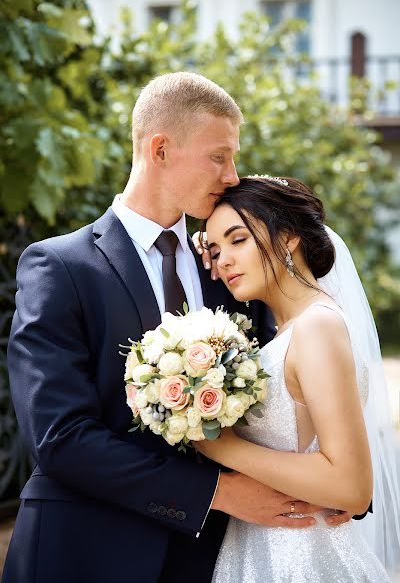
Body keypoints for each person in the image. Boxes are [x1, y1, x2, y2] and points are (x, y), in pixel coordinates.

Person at [3, 73, 351, 583]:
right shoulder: (60, 267)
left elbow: (286, 391)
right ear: (160, 149)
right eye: (219, 156)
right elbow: (59, 438)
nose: (233, 175)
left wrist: (334, 490)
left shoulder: (229, 272)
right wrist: (216, 493)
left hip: (210, 560)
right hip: (83, 554)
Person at [194, 175, 400, 582]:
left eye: (238, 240)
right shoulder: (280, 333)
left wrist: (218, 447)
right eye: (215, 250)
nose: (224, 261)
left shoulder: (317, 327)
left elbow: (351, 485)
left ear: (288, 237)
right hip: (256, 548)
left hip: (304, 558)